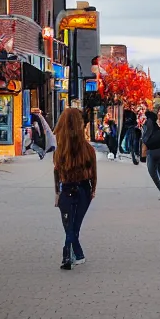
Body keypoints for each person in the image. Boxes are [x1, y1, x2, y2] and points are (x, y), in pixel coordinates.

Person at [52, 107, 96, 271]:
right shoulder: (87, 149)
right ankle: (76, 254)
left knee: (70, 226)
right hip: (84, 189)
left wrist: (57, 193)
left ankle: (68, 255)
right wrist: (92, 190)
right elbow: (93, 173)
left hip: (67, 189)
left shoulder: (60, 151)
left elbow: (57, 172)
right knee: (73, 226)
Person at [141, 109, 160, 200]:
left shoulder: (147, 125)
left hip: (152, 152)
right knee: (158, 170)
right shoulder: (157, 126)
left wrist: (143, 155)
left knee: (152, 172)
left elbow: (145, 140)